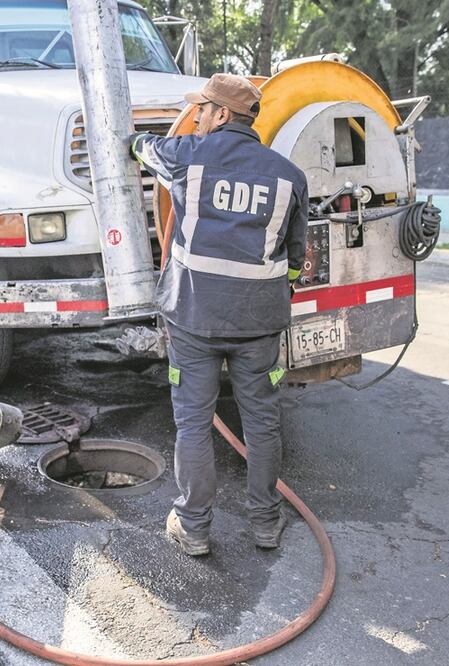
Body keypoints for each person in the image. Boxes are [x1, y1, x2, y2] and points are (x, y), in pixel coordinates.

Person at [130, 73, 308, 555]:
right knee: (263, 424)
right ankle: (266, 524)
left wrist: (135, 141)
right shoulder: (289, 177)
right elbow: (294, 260)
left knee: (193, 423)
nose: (198, 117)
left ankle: (193, 528)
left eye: (203, 110)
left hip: (193, 319)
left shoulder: (190, 155)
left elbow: (141, 148)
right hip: (259, 325)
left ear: (222, 115)